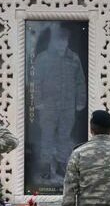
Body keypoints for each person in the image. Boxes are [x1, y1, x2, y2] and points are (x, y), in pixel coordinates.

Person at [33, 24, 87, 183]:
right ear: (53, 41)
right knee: (47, 136)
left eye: (65, 41)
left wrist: (80, 102)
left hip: (68, 106)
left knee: (64, 136)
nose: (62, 44)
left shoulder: (74, 58)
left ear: (68, 41)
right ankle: (46, 166)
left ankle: (63, 165)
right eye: (59, 41)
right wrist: (38, 101)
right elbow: (35, 82)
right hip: (48, 106)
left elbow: (80, 82)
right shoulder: (43, 58)